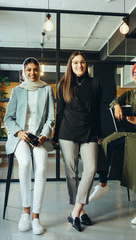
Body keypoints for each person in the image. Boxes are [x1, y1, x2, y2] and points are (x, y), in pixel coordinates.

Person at [89, 61, 136, 225]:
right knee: (106, 142)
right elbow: (114, 100)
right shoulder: (128, 94)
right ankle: (103, 183)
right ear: (132, 75)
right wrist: (117, 106)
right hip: (129, 132)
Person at [4, 57, 55, 235]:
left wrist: (44, 135)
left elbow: (51, 117)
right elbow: (8, 118)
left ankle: (35, 216)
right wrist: (19, 132)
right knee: (25, 164)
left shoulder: (47, 89)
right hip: (20, 137)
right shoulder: (17, 91)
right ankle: (25, 211)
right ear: (23, 72)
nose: (32, 73)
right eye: (29, 70)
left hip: (39, 138)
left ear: (39, 71)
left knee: (41, 168)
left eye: (35, 69)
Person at [53, 51, 101, 232]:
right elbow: (60, 112)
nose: (79, 65)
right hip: (67, 132)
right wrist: (55, 136)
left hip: (89, 131)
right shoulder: (63, 84)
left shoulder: (95, 83)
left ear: (86, 64)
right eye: (75, 63)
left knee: (91, 169)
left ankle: (75, 211)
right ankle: (80, 212)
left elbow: (97, 111)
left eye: (82, 62)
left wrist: (99, 133)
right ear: (70, 65)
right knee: (72, 172)